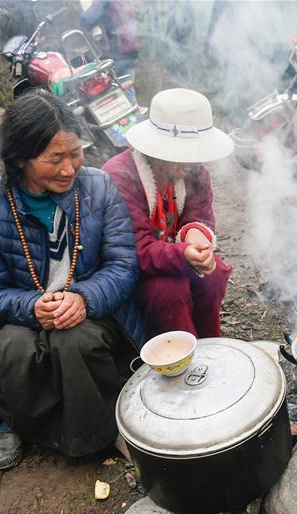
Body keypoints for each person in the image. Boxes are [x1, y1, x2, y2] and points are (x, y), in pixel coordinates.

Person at [0, 90, 145, 470]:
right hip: (21, 317)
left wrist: (83, 298)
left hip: (93, 313)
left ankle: (96, 433)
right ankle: (15, 420)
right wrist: (32, 306)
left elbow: (123, 265)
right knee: (12, 347)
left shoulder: (98, 187)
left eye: (75, 153)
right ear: (20, 158)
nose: (69, 169)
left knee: (75, 339)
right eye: (54, 158)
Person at [102, 88, 233, 339]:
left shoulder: (194, 171)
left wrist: (197, 239)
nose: (190, 163)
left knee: (213, 273)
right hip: (131, 269)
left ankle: (211, 345)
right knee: (169, 291)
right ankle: (182, 354)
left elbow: (199, 214)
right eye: (182, 154)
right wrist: (183, 253)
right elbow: (136, 249)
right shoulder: (121, 177)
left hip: (171, 256)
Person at [79, 0, 139, 81]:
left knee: (109, 86)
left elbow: (86, 21)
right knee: (126, 84)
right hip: (132, 50)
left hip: (116, 55)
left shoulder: (103, 1)